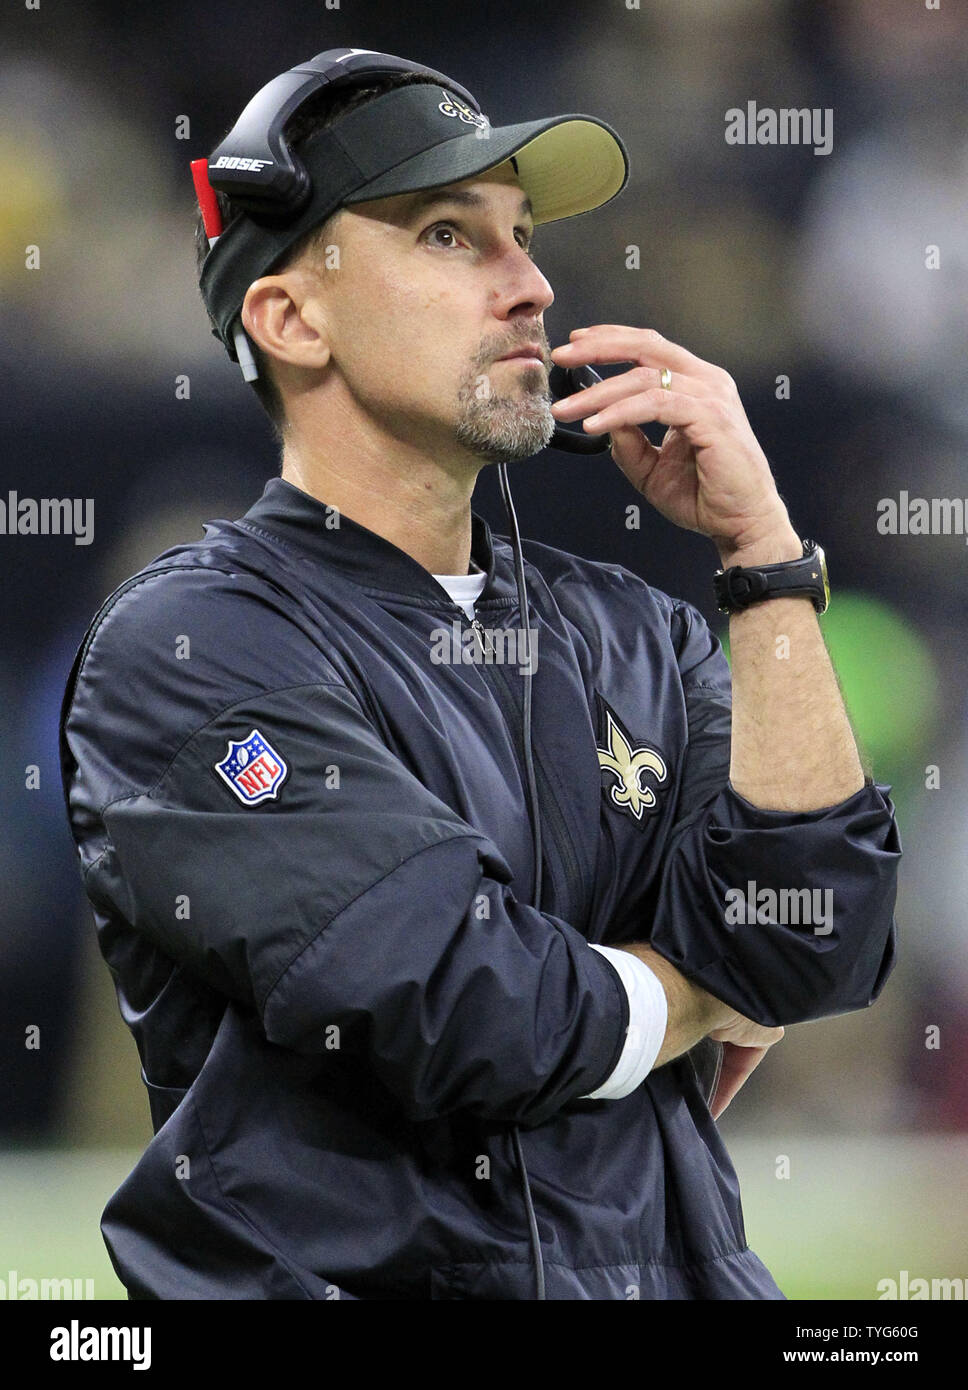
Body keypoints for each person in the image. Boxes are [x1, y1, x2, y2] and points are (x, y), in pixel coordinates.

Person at [58, 48, 900, 1300]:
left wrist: (761, 562)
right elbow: (479, 1011)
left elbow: (821, 937)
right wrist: (703, 989)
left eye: (520, 237)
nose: (531, 286)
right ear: (292, 317)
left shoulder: (637, 630)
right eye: (451, 237)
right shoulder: (188, 647)